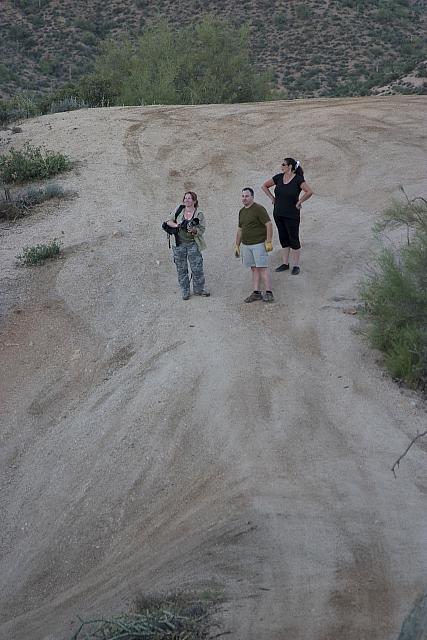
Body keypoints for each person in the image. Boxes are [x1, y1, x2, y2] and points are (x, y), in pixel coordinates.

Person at [262, 157, 313, 274]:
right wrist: (272, 198)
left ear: (290, 166)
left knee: (293, 238)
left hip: (292, 215)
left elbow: (309, 191)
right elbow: (264, 186)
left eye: (283, 164)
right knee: (283, 237)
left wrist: (300, 201)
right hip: (278, 213)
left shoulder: (298, 179)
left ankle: (296, 265)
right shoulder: (279, 177)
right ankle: (285, 263)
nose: (281, 166)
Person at [165, 191, 210, 300]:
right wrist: (178, 225)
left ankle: (199, 289)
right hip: (179, 244)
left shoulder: (199, 214)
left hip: (193, 243)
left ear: (194, 201)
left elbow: (202, 229)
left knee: (197, 268)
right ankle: (185, 291)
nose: (187, 200)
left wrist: (194, 230)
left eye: (189, 198)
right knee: (181, 268)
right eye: (185, 198)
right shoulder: (179, 209)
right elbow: (168, 221)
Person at [234, 187, 274, 303]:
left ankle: (269, 292)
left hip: (258, 244)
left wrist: (268, 241)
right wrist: (237, 245)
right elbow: (240, 229)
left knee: (262, 268)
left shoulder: (259, 209)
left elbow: (268, 224)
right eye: (243, 196)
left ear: (252, 197)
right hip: (246, 245)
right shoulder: (242, 211)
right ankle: (256, 292)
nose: (244, 198)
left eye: (247, 196)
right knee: (253, 268)